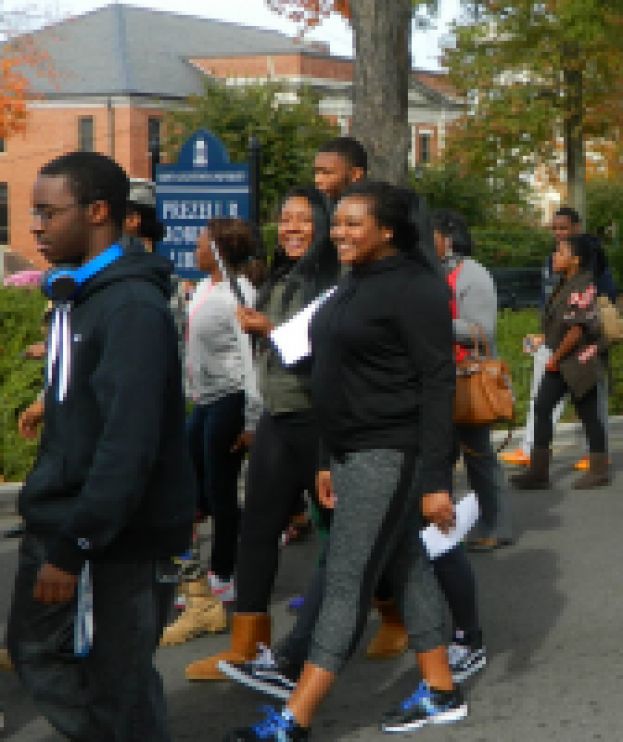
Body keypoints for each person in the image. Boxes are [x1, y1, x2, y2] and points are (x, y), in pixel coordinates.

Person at [226, 181, 467, 740]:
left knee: (345, 578)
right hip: (351, 451)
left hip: (392, 452)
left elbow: (438, 384)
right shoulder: (352, 283)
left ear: (388, 230)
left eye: (354, 223)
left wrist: (435, 481)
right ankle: (441, 689)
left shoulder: (416, 288)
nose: (339, 232)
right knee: (405, 564)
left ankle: (295, 719)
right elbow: (332, 374)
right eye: (337, 223)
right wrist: (327, 459)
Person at [6, 151, 196, 741]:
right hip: (66, 516)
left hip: (114, 533)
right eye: (33, 211)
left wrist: (75, 543)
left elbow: (128, 440)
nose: (35, 224)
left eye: (47, 211)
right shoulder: (75, 295)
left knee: (120, 678)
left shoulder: (132, 306)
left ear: (97, 212)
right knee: (39, 650)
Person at [184, 186, 340, 682]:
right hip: (278, 415)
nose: (291, 228)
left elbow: (336, 353)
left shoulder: (335, 280)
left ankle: (407, 621)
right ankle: (248, 646)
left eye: (303, 219)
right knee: (257, 528)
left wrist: (269, 330)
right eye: (285, 218)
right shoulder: (279, 275)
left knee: (346, 537)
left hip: (320, 420)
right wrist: (254, 417)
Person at [161, 218, 263, 645]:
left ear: (219, 249)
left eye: (201, 244)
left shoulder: (240, 295)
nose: (195, 250)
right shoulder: (202, 289)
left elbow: (252, 355)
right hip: (203, 401)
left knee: (222, 493)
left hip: (232, 401)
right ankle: (195, 575)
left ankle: (224, 577)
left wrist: (253, 420)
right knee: (190, 491)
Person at [512, 233, 609, 490]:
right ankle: (539, 470)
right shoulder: (565, 283)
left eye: (561, 252)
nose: (555, 255)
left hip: (578, 361)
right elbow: (560, 324)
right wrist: (543, 339)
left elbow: (577, 330)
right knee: (543, 407)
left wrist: (554, 358)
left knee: (588, 413)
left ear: (575, 260)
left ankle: (598, 470)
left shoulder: (584, 285)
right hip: (564, 359)